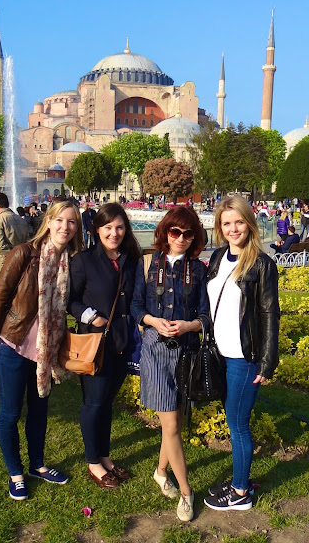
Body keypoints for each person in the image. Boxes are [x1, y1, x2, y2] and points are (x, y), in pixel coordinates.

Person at [0, 201, 83, 501]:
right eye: (60, 220)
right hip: (13, 345)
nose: (65, 227)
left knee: (39, 411)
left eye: (71, 222)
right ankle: (16, 472)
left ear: (77, 227)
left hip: (45, 352)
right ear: (48, 221)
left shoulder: (71, 262)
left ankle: (37, 464)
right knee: (10, 413)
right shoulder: (24, 253)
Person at [131, 206, 210, 522]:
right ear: (165, 232)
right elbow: (135, 306)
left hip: (186, 354)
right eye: (175, 231)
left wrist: (189, 326)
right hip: (156, 351)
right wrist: (153, 320)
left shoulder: (199, 270)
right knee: (173, 425)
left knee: (172, 423)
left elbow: (205, 316)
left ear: (195, 237)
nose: (181, 238)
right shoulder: (148, 264)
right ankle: (188, 493)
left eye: (188, 233)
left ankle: (161, 471)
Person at [204, 196, 279, 512]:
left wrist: (267, 359)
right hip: (221, 353)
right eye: (226, 223)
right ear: (220, 227)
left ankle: (239, 493)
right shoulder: (218, 257)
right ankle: (240, 481)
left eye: (239, 222)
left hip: (245, 357)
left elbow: (269, 313)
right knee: (234, 419)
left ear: (249, 223)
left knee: (238, 424)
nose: (233, 229)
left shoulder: (262, 264)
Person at [69, 203, 141, 489]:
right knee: (93, 402)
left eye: (120, 227)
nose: (114, 233)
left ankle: (104, 455)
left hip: (122, 343)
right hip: (95, 345)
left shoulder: (130, 259)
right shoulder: (84, 261)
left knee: (107, 403)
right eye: (108, 227)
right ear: (96, 229)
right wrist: (91, 316)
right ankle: (93, 462)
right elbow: (70, 300)